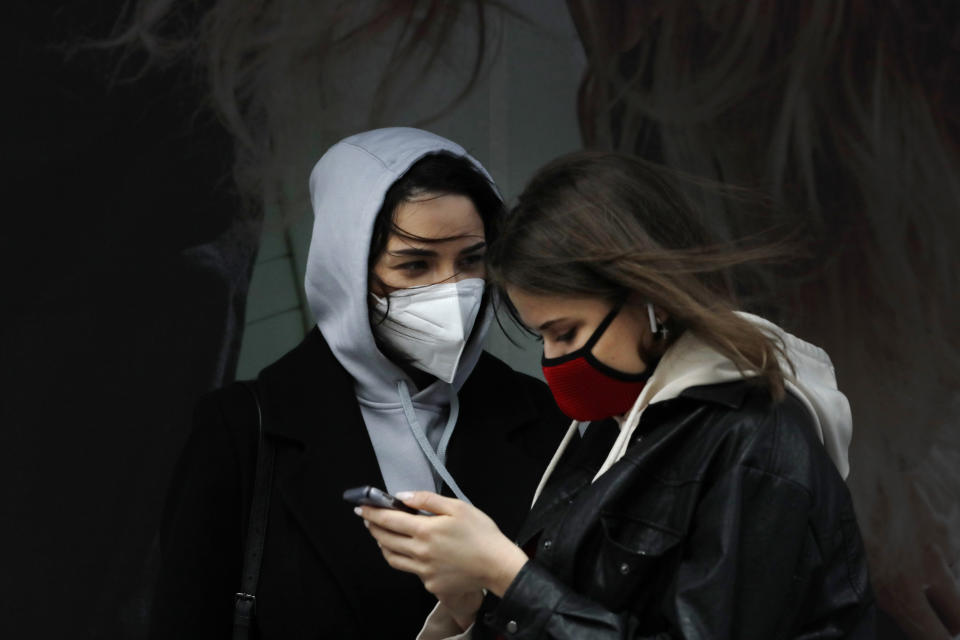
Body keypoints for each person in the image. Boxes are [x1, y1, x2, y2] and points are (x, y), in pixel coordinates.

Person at [358, 151, 877, 638]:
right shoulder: (619, 423)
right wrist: (472, 596)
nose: (553, 362)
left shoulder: (755, 444)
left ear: (652, 298)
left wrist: (506, 573)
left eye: (566, 333)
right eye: (542, 337)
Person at [149, 127, 567, 639]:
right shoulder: (245, 431)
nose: (452, 291)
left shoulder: (543, 418)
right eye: (415, 264)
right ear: (347, 270)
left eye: (471, 261)